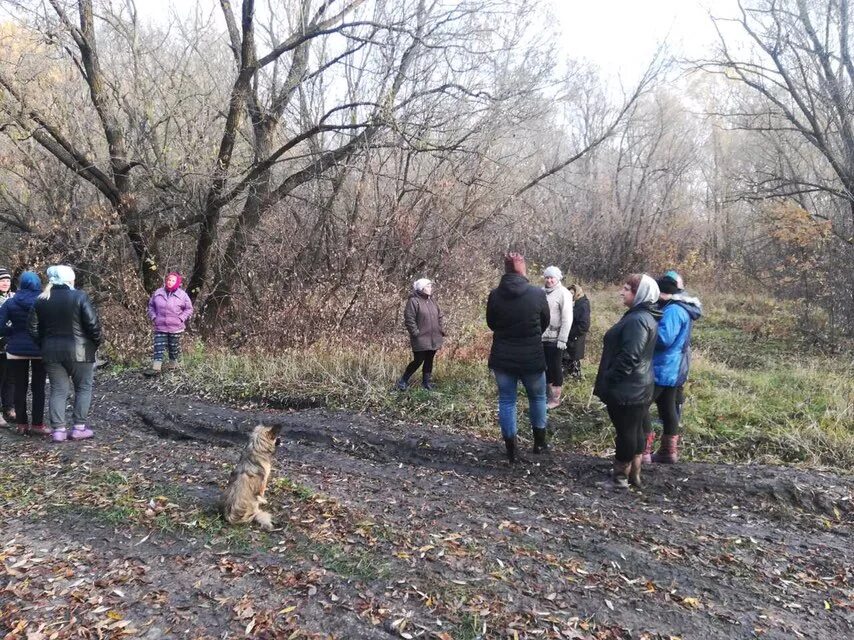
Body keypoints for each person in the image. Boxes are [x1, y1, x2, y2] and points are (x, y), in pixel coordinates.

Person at [593, 274, 661, 488]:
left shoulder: (638, 320)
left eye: (626, 289)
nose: (621, 292)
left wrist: (610, 377)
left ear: (638, 293)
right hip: (638, 386)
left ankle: (620, 477)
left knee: (626, 433)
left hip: (628, 388)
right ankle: (634, 474)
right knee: (636, 430)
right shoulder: (642, 316)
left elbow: (630, 356)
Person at [487, 253, 550, 461]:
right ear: (523, 269)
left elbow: (491, 323)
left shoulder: (495, 295)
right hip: (531, 355)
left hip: (503, 356)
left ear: (505, 270)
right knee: (538, 397)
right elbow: (545, 321)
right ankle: (539, 443)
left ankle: (511, 449)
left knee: (507, 400)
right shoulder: (537, 294)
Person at [28, 265, 102, 442]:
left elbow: (32, 328)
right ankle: (79, 428)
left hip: (51, 352)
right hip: (81, 351)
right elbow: (93, 325)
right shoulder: (80, 296)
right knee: (83, 388)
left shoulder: (41, 299)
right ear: (70, 279)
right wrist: (94, 344)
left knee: (58, 391)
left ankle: (59, 431)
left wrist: (43, 344)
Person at [642, 271, 702, 464]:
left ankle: (642, 451)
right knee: (667, 407)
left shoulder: (674, 310)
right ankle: (668, 452)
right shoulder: (680, 307)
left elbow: (664, 339)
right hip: (674, 367)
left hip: (664, 367)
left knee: (641, 405)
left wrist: (646, 332)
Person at [0, 272, 48, 436]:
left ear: (20, 284)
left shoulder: (11, 302)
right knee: (39, 387)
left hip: (16, 350)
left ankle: (21, 424)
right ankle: (37, 424)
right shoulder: (44, 302)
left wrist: (12, 332)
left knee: (19, 387)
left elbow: (0, 326)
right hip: (40, 348)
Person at [396, 278, 445, 390]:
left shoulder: (432, 301)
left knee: (429, 359)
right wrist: (416, 333)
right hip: (420, 337)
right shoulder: (413, 301)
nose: (430, 288)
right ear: (421, 288)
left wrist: (439, 328)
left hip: (434, 336)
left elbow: (440, 316)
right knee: (418, 360)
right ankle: (403, 380)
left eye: (430, 286)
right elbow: (409, 319)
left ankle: (426, 383)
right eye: (428, 286)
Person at [146, 272, 193, 375]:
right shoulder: (158, 292)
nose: (170, 282)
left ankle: (173, 367)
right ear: (165, 281)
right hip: (160, 326)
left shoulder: (182, 295)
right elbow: (150, 306)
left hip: (175, 327)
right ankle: (156, 369)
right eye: (168, 280)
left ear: (177, 282)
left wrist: (181, 318)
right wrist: (154, 317)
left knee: (173, 348)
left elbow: (189, 309)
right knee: (158, 347)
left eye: (173, 280)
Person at [541, 266, 573, 409]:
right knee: (545, 366)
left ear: (558, 278)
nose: (549, 280)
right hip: (542, 337)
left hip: (556, 339)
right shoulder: (541, 292)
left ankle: (555, 399)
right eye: (547, 277)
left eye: (552, 277)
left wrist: (562, 339)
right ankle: (546, 395)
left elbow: (567, 318)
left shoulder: (564, 293)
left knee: (555, 367)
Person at [563, 283, 591, 380]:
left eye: (572, 293)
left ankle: (574, 380)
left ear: (577, 293)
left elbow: (584, 325)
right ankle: (567, 380)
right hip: (569, 338)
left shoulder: (582, 305)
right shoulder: (571, 303)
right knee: (566, 361)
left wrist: (570, 334)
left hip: (575, 339)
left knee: (573, 362)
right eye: (568, 293)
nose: (570, 295)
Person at [0, 267, 16, 424]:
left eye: (7, 280)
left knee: (10, 378)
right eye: (2, 280)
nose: (5, 283)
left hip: (12, 345)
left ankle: (9, 408)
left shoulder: (14, 297)